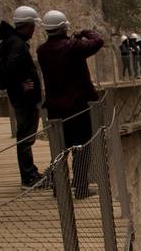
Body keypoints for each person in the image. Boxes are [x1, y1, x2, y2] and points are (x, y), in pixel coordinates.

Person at [36, 10, 103, 198]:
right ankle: (81, 188)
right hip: (77, 106)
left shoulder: (42, 51)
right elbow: (98, 42)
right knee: (81, 148)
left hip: (55, 108)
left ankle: (60, 188)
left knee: (60, 149)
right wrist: (85, 33)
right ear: (65, 27)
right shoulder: (73, 47)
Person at [0, 6, 45, 186]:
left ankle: (30, 173)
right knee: (26, 138)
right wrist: (21, 83)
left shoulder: (11, 41)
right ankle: (29, 176)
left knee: (25, 136)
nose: (34, 29)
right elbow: (12, 66)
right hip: (25, 99)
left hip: (22, 97)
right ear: (28, 25)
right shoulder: (17, 44)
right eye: (33, 26)